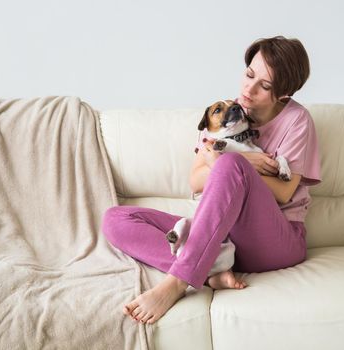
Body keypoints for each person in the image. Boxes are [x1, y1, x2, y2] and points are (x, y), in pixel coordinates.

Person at [101, 35, 322, 325]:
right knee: (115, 219)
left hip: (276, 242)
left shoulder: (297, 121)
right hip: (220, 241)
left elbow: (283, 192)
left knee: (230, 162)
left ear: (283, 93)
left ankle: (178, 281)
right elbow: (195, 182)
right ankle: (211, 271)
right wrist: (229, 164)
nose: (248, 89)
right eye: (249, 75)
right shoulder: (220, 117)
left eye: (264, 86)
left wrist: (236, 164)